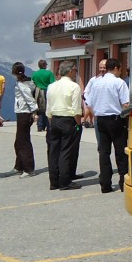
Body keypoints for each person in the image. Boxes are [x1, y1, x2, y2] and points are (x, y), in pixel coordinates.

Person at [83, 57, 130, 193]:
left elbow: (89, 102)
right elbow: (125, 104)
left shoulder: (96, 83)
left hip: (100, 119)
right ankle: (123, 182)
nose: (120, 72)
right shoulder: (119, 82)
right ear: (116, 68)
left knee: (103, 152)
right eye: (120, 69)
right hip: (115, 119)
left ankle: (105, 184)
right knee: (120, 152)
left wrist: (96, 114)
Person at [45, 60, 84, 190]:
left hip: (55, 119)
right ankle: (65, 180)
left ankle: (53, 181)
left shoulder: (52, 86)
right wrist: (78, 124)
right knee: (66, 151)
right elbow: (76, 109)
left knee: (54, 151)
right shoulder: (74, 87)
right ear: (70, 71)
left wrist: (51, 121)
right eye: (75, 71)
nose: (75, 73)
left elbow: (49, 107)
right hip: (68, 120)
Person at [11, 62, 38, 177]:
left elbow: (28, 97)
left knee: (23, 141)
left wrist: (34, 111)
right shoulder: (29, 81)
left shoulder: (21, 84)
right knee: (19, 141)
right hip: (23, 112)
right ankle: (19, 166)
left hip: (24, 113)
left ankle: (28, 168)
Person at [31, 59, 55, 132]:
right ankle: (48, 125)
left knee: (39, 109)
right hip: (47, 91)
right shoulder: (49, 73)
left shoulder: (35, 74)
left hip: (37, 93)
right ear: (45, 65)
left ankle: (40, 125)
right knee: (48, 108)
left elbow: (32, 83)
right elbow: (52, 83)